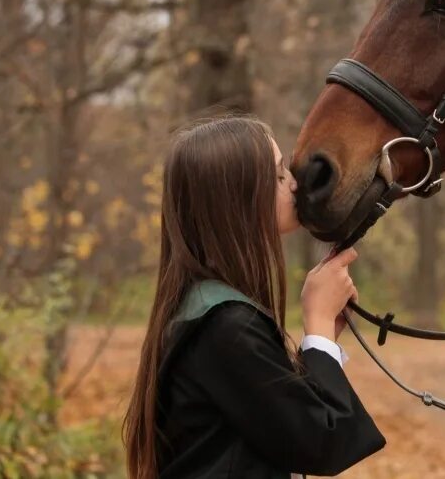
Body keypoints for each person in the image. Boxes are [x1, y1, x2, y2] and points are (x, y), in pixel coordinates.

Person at [122, 115, 386, 478]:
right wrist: (320, 324)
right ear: (238, 201)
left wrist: (321, 344)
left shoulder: (208, 313)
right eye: (279, 175)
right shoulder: (224, 324)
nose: (294, 185)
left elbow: (280, 428)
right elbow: (322, 443)